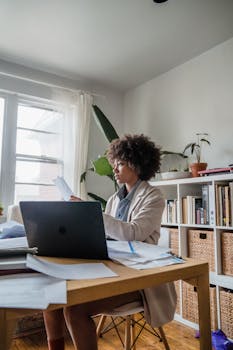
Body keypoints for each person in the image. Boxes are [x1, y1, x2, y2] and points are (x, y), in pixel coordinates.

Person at [43, 134, 177, 350]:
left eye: (120, 163)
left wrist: (92, 212)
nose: (114, 169)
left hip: (141, 279)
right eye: (115, 163)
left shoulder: (154, 197)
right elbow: (106, 235)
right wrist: (82, 220)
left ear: (137, 164)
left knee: (75, 310)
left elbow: (133, 233)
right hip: (112, 268)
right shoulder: (115, 199)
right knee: (51, 296)